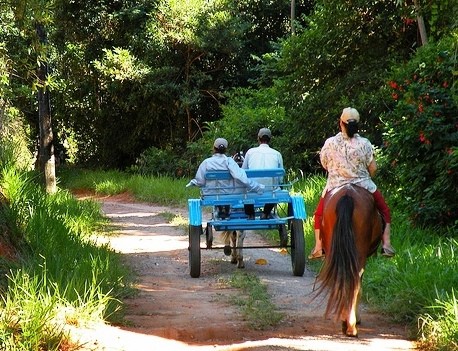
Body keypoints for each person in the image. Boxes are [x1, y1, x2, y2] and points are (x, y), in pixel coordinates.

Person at [309, 107, 395, 259]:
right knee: (384, 211)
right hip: (363, 184)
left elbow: (325, 164)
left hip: (335, 185)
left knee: (319, 215)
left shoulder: (330, 143)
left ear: (340, 123)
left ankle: (318, 246)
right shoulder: (365, 143)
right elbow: (373, 168)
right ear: (358, 125)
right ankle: (386, 244)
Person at [187, 138, 265, 218]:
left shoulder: (206, 162)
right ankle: (229, 210)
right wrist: (257, 187)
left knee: (219, 191)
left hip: (210, 194)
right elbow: (239, 177)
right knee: (238, 188)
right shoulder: (229, 161)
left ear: (214, 148)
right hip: (228, 194)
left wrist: (193, 182)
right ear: (226, 149)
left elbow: (200, 181)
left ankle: (221, 210)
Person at [242, 128, 284, 219]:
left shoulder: (250, 152)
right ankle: (266, 212)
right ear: (270, 139)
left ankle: (250, 214)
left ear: (258, 138)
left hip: (253, 189)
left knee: (245, 187)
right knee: (276, 190)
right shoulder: (277, 154)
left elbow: (243, 172)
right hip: (270, 189)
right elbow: (280, 178)